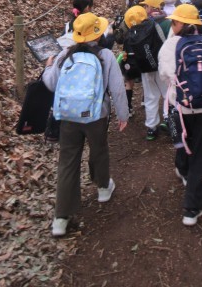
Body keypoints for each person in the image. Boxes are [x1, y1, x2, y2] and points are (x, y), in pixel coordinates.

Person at [43, 12, 129, 237]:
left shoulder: (65, 54)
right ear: (98, 34)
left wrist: (48, 67)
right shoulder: (105, 56)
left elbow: (51, 84)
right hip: (96, 115)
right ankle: (103, 188)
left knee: (67, 161)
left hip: (68, 115)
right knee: (99, 149)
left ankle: (61, 218)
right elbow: (117, 89)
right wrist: (123, 115)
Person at [158, 4, 202, 227]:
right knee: (201, 150)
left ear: (181, 24)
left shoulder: (170, 45)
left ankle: (191, 204)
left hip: (182, 105)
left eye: (174, 22)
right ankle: (191, 196)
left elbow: (165, 75)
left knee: (184, 139)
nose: (172, 25)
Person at [124, 5, 168, 141]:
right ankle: (169, 119)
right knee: (168, 93)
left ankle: (151, 128)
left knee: (150, 97)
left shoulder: (130, 34)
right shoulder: (154, 25)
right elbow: (164, 42)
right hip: (161, 66)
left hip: (145, 69)